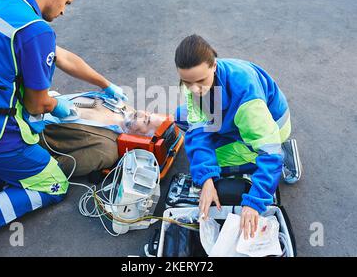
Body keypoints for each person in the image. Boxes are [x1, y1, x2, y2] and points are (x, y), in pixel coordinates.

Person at [0, 0, 127, 239]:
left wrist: (106, 85)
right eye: (67, 3)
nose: (63, 11)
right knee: (54, 184)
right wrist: (58, 107)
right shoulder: (35, 29)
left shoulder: (4, 3)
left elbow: (62, 56)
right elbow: (37, 104)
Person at [174, 35, 302, 240]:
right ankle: (250, 154)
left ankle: (284, 154)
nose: (195, 89)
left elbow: (269, 155)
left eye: (200, 82)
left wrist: (254, 202)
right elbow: (198, 131)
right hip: (236, 121)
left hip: (272, 127)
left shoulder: (247, 100)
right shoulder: (195, 79)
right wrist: (206, 179)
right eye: (188, 83)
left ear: (214, 66)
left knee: (220, 160)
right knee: (181, 119)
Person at [38, 94, 169, 177]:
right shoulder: (124, 108)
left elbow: (56, 168)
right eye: (148, 113)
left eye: (146, 121)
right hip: (35, 99)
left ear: (143, 140)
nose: (141, 113)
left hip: (26, 131)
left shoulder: (105, 150)